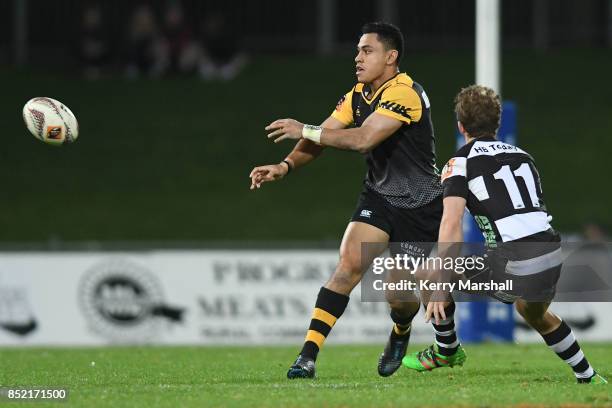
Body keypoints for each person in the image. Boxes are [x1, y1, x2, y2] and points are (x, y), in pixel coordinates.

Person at [249, 22, 443, 379]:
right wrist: (285, 165)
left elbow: (364, 140)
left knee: (397, 296)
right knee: (348, 264)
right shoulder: (356, 95)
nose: (358, 57)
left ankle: (401, 331)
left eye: (367, 50)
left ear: (391, 57)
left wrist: (304, 128)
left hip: (419, 205)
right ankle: (307, 356)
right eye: (358, 50)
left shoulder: (405, 92)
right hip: (380, 196)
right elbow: (324, 136)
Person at [402, 85, 607, 385]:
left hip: (514, 260)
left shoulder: (460, 162)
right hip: (551, 253)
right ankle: (587, 375)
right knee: (533, 312)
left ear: (460, 126)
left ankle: (446, 350)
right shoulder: (524, 157)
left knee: (427, 275)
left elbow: (451, 223)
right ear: (496, 124)